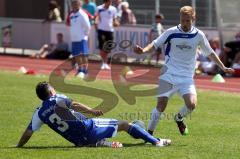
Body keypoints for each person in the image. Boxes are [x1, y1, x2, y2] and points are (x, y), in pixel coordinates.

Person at [134, 6, 234, 136]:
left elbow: (210, 53)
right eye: (183, 20)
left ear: (193, 18)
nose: (185, 23)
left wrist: (223, 67)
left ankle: (179, 118)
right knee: (161, 105)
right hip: (168, 74)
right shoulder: (171, 32)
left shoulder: (198, 35)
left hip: (186, 77)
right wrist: (143, 50)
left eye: (188, 21)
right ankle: (149, 134)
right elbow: (155, 44)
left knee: (191, 104)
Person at [16, 81, 171, 148]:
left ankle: (100, 142)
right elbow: (74, 104)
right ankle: (156, 142)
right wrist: (91, 111)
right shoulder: (57, 98)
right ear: (50, 91)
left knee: (93, 134)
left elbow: (28, 133)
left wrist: (18, 146)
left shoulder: (39, 113)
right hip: (89, 128)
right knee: (124, 124)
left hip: (78, 141)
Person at [66, 0, 91, 78]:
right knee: (76, 55)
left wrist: (85, 34)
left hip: (81, 38)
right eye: (73, 3)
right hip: (74, 39)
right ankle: (80, 70)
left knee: (83, 55)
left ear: (80, 4)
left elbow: (88, 26)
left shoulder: (82, 14)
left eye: (76, 3)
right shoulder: (71, 15)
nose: (74, 5)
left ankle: (85, 71)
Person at [95, 0, 119, 70]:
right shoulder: (99, 8)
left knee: (108, 48)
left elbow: (115, 20)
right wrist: (97, 28)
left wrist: (116, 23)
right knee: (102, 47)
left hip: (110, 30)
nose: (110, 3)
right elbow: (96, 18)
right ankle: (103, 63)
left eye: (111, 2)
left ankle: (105, 63)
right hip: (101, 30)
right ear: (105, 1)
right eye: (109, 1)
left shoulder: (113, 9)